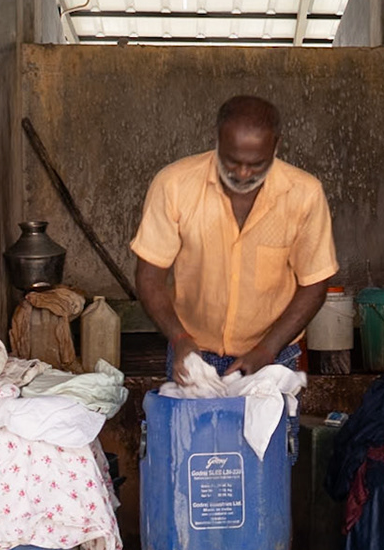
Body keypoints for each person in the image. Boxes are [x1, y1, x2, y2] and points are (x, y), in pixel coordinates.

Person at [132, 95, 338, 381]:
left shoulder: (304, 195)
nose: (242, 173)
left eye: (256, 164)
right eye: (231, 161)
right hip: (192, 354)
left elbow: (314, 284)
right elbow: (149, 276)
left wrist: (267, 350)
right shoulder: (174, 185)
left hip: (273, 356)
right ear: (217, 140)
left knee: (266, 428)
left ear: (276, 147)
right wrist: (179, 339)